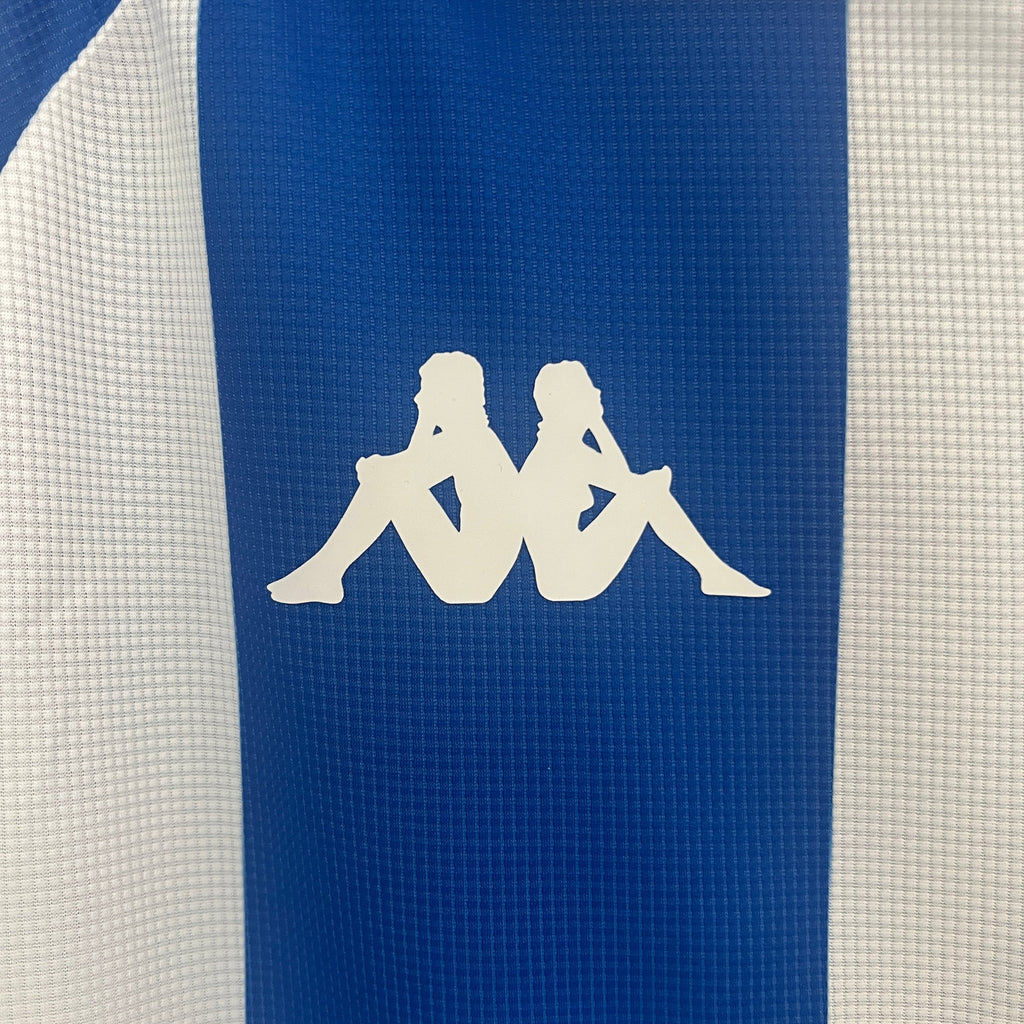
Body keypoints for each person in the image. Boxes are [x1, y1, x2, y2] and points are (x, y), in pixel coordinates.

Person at [267, 352, 522, 604]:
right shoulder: (473, 437)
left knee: (386, 483)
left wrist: (423, 422)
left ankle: (326, 573)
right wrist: (381, 468)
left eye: (425, 391)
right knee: (387, 480)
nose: (417, 399)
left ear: (450, 397)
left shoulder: (469, 440)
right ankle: (326, 571)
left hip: (468, 580)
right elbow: (410, 467)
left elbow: (407, 473)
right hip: (473, 577)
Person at [518, 360, 770, 602]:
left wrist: (646, 482)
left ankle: (714, 572)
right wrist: (596, 422)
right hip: (570, 578)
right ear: (571, 402)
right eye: (588, 389)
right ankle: (713, 573)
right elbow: (625, 482)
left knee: (648, 489)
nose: (597, 393)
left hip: (562, 579)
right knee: (649, 490)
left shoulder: (562, 448)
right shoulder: (561, 453)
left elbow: (622, 479)